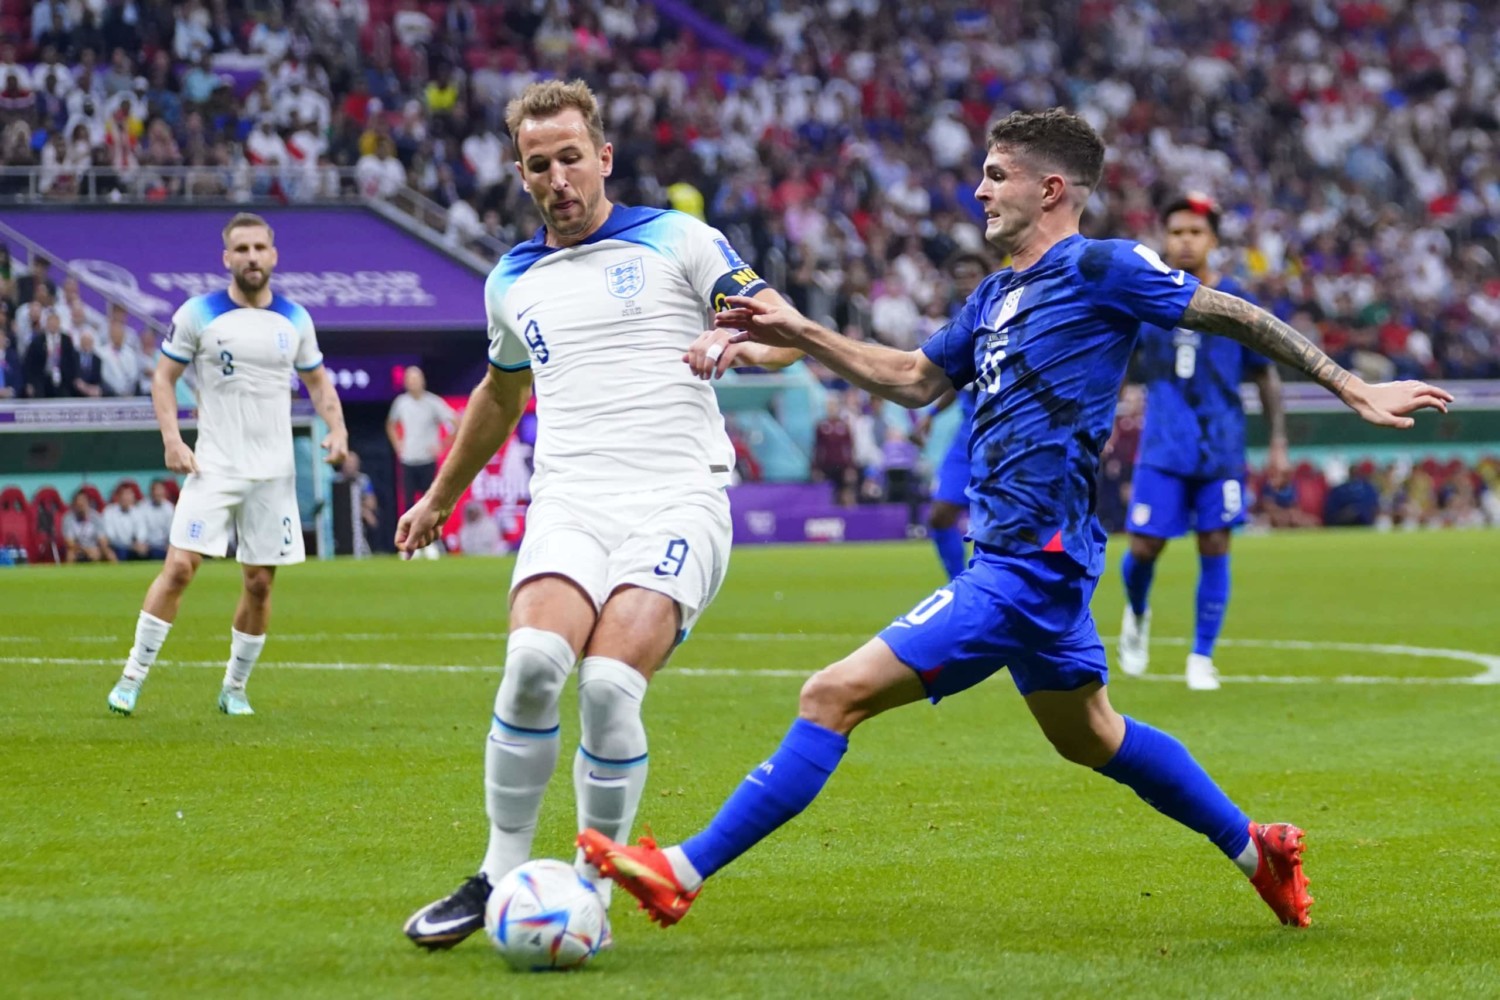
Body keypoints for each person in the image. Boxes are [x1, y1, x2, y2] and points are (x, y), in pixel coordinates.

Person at [577, 108, 1452, 933]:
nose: (980, 191)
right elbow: (915, 379)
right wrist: (799, 331)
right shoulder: (995, 297)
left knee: (830, 695)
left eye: (996, 176)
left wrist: (1348, 383)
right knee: (1093, 736)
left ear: (1051, 190)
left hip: (1028, 564)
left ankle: (680, 874)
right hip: (1031, 556)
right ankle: (1254, 848)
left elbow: (1232, 312)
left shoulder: (1102, 267)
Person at [396, 79, 801, 951]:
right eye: (538, 165)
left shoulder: (679, 239)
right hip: (571, 498)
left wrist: (733, 336)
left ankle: (591, 888)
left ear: (604, 157)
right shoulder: (511, 279)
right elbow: (500, 398)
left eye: (571, 157)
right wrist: (438, 499)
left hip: (679, 495)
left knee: (611, 688)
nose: (558, 178)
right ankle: (498, 873)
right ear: (521, 174)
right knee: (536, 665)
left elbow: (777, 324)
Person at [105, 212, 348, 718]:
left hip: (273, 473)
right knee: (179, 568)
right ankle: (132, 676)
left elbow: (319, 383)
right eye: (242, 249)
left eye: (260, 248)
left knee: (259, 582)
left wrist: (339, 430)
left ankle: (234, 688)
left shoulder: (295, 319)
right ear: (227, 259)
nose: (252, 257)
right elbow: (163, 378)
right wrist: (172, 439)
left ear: (273, 255)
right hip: (213, 465)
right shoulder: (199, 313)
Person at [1117, 195, 1290, 691]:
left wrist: (1277, 442)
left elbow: (1266, 377)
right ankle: (1136, 611)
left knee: (1215, 542)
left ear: (1212, 240)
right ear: (1165, 238)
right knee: (1146, 545)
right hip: (1164, 445)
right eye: (1176, 232)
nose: (1185, 241)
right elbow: (1122, 367)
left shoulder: (1237, 302)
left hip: (1221, 447)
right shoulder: (1147, 300)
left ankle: (1201, 656)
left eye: (1195, 232)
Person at [920, 250, 992, 579]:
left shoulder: (1006, 316)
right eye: (958, 276)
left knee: (994, 524)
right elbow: (954, 381)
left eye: (971, 274)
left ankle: (992, 591)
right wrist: (930, 415)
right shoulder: (959, 323)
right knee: (939, 516)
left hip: (1003, 433)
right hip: (968, 433)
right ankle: (958, 584)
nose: (964, 281)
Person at [385, 365, 456, 513]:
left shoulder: (433, 402)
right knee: (408, 503)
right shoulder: (401, 403)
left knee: (430, 502)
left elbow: (455, 422)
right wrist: (397, 444)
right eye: (410, 379)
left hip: (427, 459)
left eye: (416, 379)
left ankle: (431, 534)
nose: (413, 383)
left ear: (423, 381)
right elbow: (390, 424)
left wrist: (443, 446)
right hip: (408, 459)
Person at [63, 490, 114, 563]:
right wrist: (85, 550)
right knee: (70, 554)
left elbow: (102, 540)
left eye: (83, 503)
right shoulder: (68, 518)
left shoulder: (96, 517)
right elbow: (70, 543)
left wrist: (98, 549)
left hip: (95, 548)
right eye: (78, 504)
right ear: (74, 505)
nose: (81, 505)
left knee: (109, 553)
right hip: (78, 549)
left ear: (88, 503)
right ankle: (68, 574)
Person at [102, 483, 150, 560]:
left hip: (135, 547)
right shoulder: (109, 512)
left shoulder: (138, 512)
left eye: (129, 495)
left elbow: (141, 532)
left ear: (133, 497)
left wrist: (138, 543)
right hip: (117, 547)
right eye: (123, 495)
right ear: (118, 497)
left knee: (145, 551)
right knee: (121, 552)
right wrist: (130, 546)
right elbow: (111, 536)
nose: (126, 498)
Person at [139, 479, 174, 558]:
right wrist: (141, 542)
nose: (157, 493)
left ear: (164, 491)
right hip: (148, 546)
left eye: (160, 490)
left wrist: (170, 544)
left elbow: (170, 529)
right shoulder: (143, 506)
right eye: (155, 490)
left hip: (164, 546)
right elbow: (141, 529)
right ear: (151, 492)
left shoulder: (169, 508)